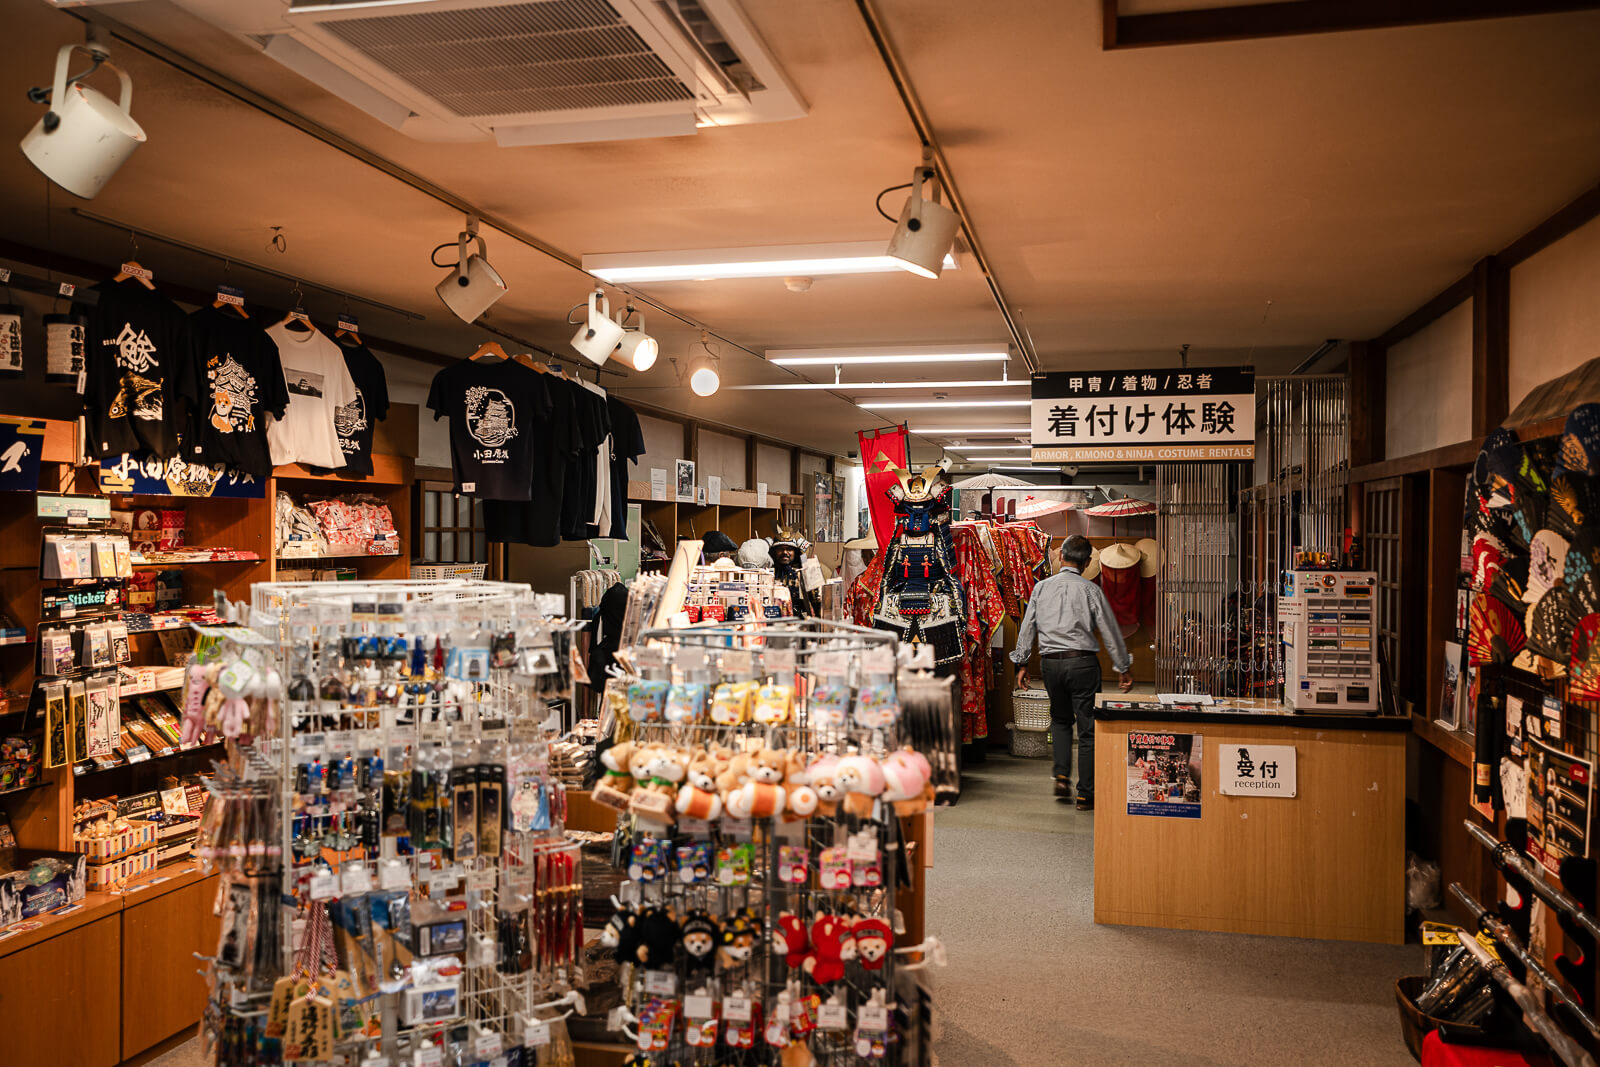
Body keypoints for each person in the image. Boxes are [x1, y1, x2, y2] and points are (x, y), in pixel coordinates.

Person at [1012, 535, 1133, 810]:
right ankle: (1085, 795)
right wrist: (1123, 667)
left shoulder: (1041, 588)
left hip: (1051, 664)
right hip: (1083, 664)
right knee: (1088, 729)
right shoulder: (1092, 590)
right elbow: (1110, 630)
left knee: (1060, 720)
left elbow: (1027, 627)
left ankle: (1062, 775)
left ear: (1061, 557)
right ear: (1087, 562)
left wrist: (1022, 664)